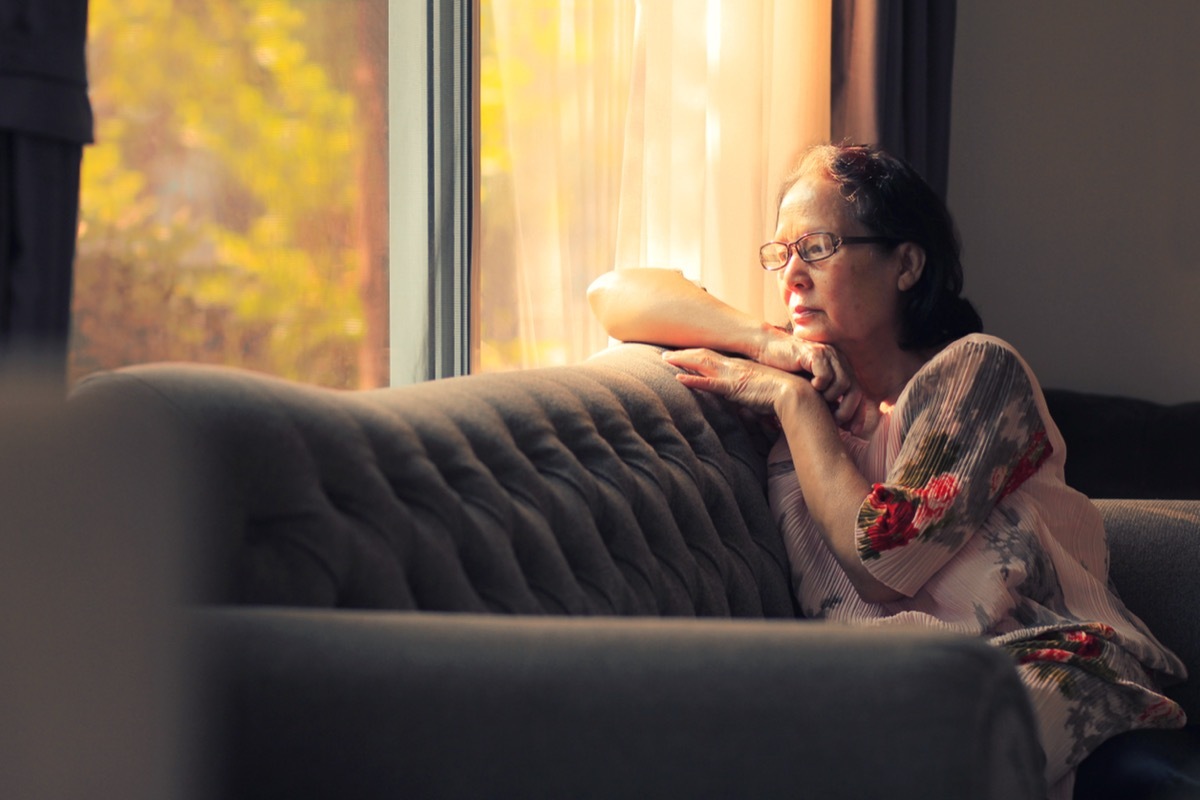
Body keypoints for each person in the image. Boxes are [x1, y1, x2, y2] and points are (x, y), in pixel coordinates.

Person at [588, 143, 1192, 799]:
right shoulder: (791, 376)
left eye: (816, 247)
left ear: (905, 263)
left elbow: (883, 562)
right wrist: (768, 346)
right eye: (780, 253)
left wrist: (794, 404)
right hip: (882, 690)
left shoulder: (980, 373)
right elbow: (613, 295)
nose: (791, 275)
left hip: (1035, 666)